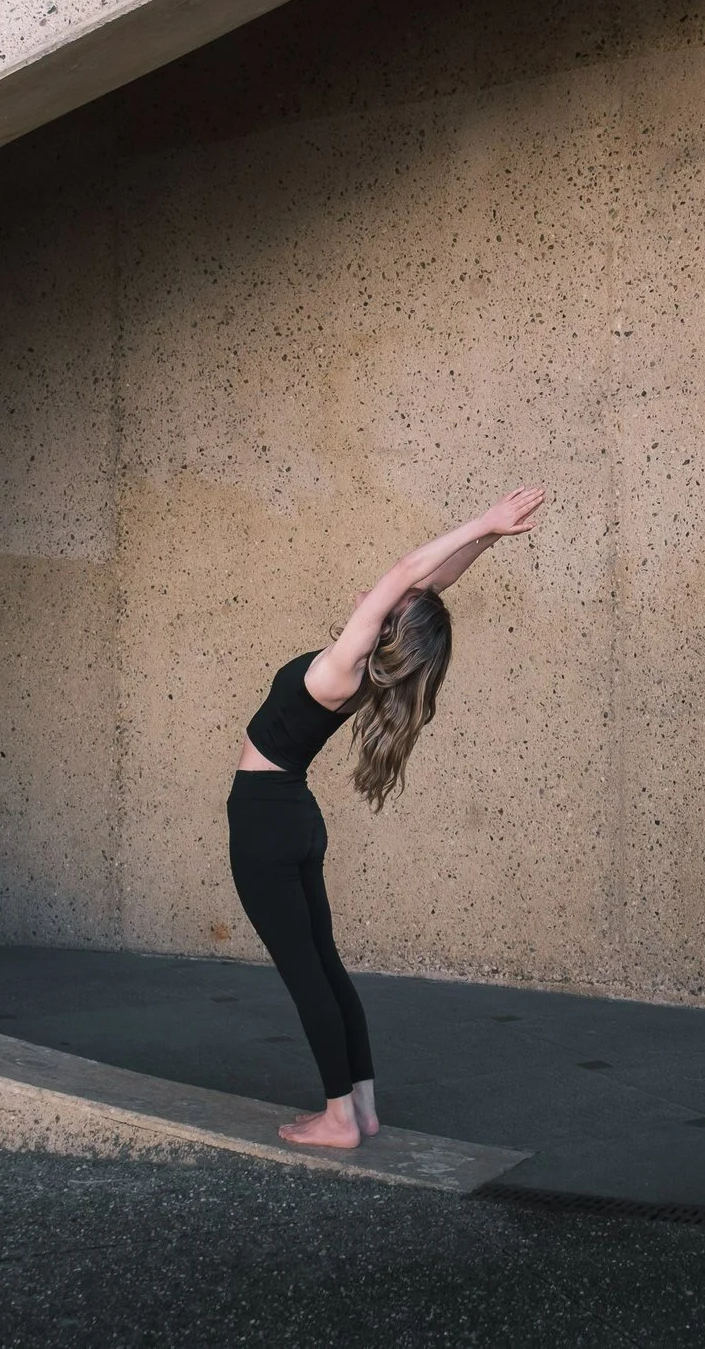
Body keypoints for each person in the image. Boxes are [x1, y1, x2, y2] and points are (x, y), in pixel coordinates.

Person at [229, 486, 550, 1148]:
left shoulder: (343, 667)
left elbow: (408, 572)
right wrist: (486, 540)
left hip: (266, 821)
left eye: (391, 600)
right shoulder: (369, 669)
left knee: (305, 973)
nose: (385, 590)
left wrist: (481, 521)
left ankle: (339, 1116)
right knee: (325, 965)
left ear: (390, 620)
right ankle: (364, 1107)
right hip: (294, 816)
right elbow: (426, 583)